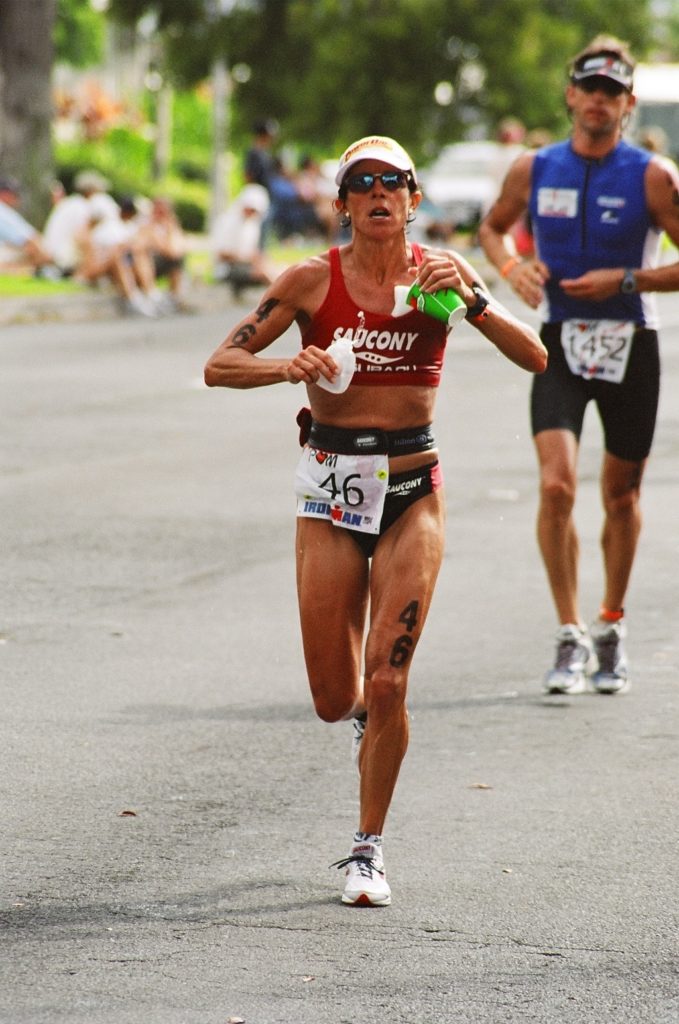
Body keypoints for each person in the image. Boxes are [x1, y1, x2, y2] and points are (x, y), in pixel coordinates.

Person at [204, 135, 546, 906]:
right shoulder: (307, 281)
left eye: (395, 181)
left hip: (411, 485)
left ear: (413, 199)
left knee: (388, 679)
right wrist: (284, 367)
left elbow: (534, 358)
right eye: (363, 182)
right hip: (328, 487)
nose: (379, 193)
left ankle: (366, 848)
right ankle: (361, 716)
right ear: (344, 204)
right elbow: (217, 365)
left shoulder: (440, 277)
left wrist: (473, 299)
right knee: (336, 697)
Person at [479, 36, 679, 696]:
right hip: (559, 341)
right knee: (557, 486)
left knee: (619, 495)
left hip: (629, 346)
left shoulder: (653, 176)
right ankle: (567, 632)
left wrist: (628, 280)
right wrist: (512, 268)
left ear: (627, 105)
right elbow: (493, 228)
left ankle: (610, 625)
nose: (598, 102)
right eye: (588, 90)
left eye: (612, 93)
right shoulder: (533, 167)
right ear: (570, 96)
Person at [210, 183, 275, 299]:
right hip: (227, 268)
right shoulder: (227, 222)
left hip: (245, 265)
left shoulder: (252, 224)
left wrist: (258, 260)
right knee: (262, 272)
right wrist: (246, 258)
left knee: (273, 268)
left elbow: (253, 251)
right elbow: (221, 254)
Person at [0, 176, 51, 272]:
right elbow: (30, 242)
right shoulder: (3, 211)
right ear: (5, 194)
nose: (16, 199)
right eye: (14, 195)